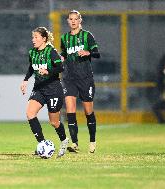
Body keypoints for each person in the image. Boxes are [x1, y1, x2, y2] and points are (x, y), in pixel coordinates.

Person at [20, 27, 69, 158]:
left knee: (54, 122)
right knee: (30, 113)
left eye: (36, 37)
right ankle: (42, 144)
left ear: (44, 39)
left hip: (53, 89)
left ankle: (64, 141)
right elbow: (31, 67)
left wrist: (48, 71)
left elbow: (61, 67)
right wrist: (25, 80)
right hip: (39, 88)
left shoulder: (51, 51)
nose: (33, 40)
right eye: (33, 37)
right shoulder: (32, 52)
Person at [60, 10, 100, 153]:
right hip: (69, 78)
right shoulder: (64, 38)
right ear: (68, 21)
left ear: (80, 20)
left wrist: (88, 52)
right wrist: (61, 58)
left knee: (88, 111)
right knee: (70, 109)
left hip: (85, 78)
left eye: (76, 19)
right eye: (71, 19)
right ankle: (75, 143)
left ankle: (92, 141)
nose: (73, 21)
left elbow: (97, 53)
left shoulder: (87, 36)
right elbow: (64, 53)